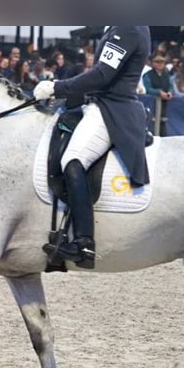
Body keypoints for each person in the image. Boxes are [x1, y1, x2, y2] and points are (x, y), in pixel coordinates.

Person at [32, 26, 151, 269]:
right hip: (100, 103)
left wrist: (58, 86)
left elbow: (102, 75)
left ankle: (84, 242)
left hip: (112, 110)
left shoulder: (128, 28)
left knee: (72, 160)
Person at [142, 53, 172, 136]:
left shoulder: (166, 75)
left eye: (162, 62)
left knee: (163, 120)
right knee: (152, 120)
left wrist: (169, 92)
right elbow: (148, 88)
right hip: (152, 103)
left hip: (165, 103)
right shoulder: (148, 75)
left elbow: (170, 85)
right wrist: (158, 92)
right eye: (157, 62)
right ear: (153, 63)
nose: (160, 64)